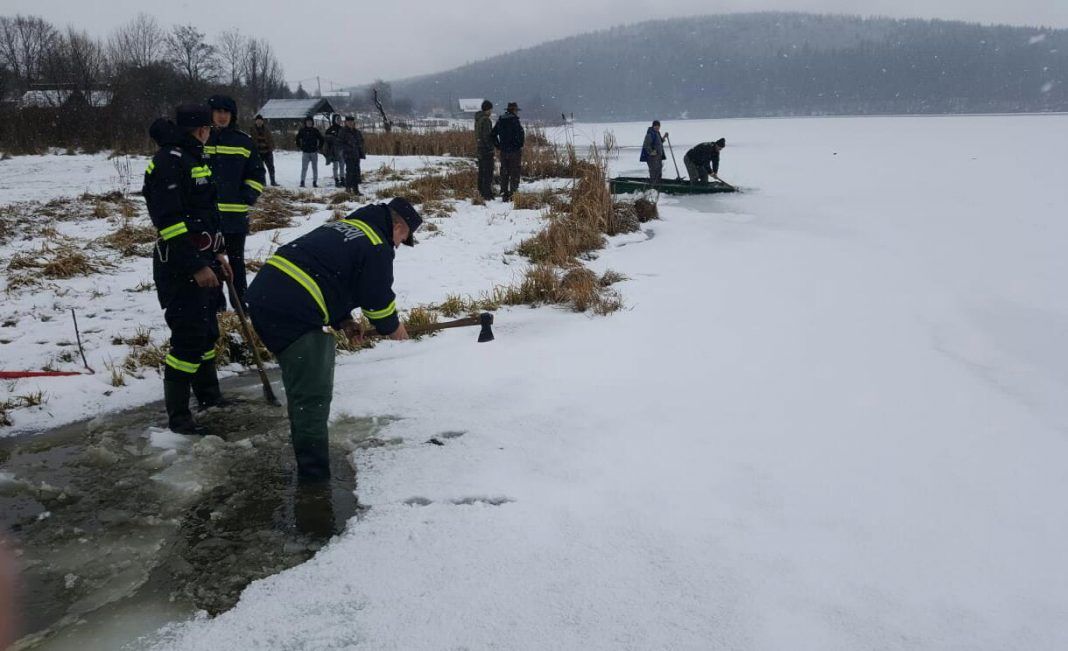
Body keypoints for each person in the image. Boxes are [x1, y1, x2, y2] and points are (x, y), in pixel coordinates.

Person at [245, 198, 421, 482]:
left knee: (305, 382)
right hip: (293, 309)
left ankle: (311, 465)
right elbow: (376, 298)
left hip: (267, 296)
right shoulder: (377, 244)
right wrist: (393, 328)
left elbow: (331, 274)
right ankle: (314, 480)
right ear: (398, 225)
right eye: (403, 237)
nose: (399, 244)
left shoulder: (347, 228)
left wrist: (344, 320)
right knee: (311, 396)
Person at [143, 104, 233, 435]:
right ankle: (179, 417)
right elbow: (170, 222)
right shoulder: (168, 162)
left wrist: (219, 253)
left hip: (205, 257)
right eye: (208, 128)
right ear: (198, 130)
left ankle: (210, 397)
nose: (210, 133)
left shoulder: (195, 158)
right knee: (188, 338)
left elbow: (206, 211)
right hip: (180, 264)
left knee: (207, 331)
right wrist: (195, 265)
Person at [206, 94, 266, 309]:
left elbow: (257, 173)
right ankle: (215, 306)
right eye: (218, 112)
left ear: (232, 115)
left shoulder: (243, 141)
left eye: (226, 112)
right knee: (210, 262)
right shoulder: (201, 139)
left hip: (234, 216)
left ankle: (241, 303)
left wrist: (248, 194)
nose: (222, 117)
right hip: (206, 217)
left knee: (236, 262)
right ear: (211, 114)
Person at [491, 101, 525, 201]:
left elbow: (493, 134)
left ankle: (504, 193)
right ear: (514, 110)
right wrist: (519, 145)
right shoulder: (515, 121)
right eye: (516, 110)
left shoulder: (501, 120)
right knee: (515, 172)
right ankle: (513, 193)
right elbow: (521, 136)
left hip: (504, 151)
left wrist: (498, 146)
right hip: (514, 151)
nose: (517, 112)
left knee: (504, 172)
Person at [338, 116, 365, 196]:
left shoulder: (357, 132)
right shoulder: (343, 131)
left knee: (356, 172)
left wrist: (360, 148)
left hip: (356, 154)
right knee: (350, 172)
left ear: (353, 122)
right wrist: (348, 148)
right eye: (348, 121)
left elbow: (361, 141)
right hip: (348, 155)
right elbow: (339, 143)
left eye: (351, 121)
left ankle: (356, 189)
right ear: (346, 122)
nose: (350, 123)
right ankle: (348, 188)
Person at [474, 100, 496, 200]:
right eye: (491, 109)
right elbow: (487, 136)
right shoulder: (486, 120)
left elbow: (479, 135)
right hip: (486, 150)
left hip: (479, 148)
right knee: (488, 172)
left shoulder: (478, 119)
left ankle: (481, 191)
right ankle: (487, 194)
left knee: (482, 171)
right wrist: (491, 148)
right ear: (488, 109)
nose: (491, 111)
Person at [295, 117, 324, 188]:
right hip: (305, 152)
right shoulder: (302, 130)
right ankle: (302, 181)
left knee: (315, 168)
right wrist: (300, 146)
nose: (309, 123)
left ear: (312, 122)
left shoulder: (315, 130)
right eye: (308, 122)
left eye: (310, 122)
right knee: (304, 168)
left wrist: (319, 147)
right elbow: (297, 138)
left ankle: (314, 182)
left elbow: (321, 139)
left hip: (314, 152)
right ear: (305, 123)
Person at [251, 113, 279, 187]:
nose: (259, 122)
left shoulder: (266, 129)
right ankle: (263, 182)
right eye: (258, 120)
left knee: (271, 167)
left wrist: (272, 147)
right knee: (261, 169)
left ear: (262, 121)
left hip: (267, 152)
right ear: (255, 121)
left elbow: (271, 139)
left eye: (260, 120)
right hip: (258, 152)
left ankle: (273, 181)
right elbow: (251, 140)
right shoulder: (252, 129)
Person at [324, 114, 346, 187]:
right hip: (334, 151)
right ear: (334, 120)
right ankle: (336, 180)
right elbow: (326, 139)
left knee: (342, 165)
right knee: (335, 166)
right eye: (338, 119)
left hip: (342, 150)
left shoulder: (342, 129)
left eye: (340, 119)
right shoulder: (330, 129)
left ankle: (342, 179)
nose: (339, 121)